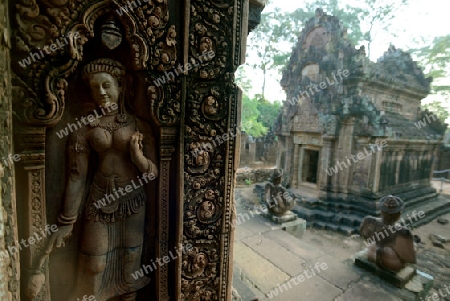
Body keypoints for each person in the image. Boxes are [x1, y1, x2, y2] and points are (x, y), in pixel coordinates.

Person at [48, 58, 158, 301]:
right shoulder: (85, 127)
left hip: (133, 203)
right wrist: (66, 220)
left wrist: (137, 156)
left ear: (120, 86)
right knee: (93, 264)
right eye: (94, 87)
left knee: (131, 272)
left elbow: (152, 173)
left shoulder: (139, 124)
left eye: (106, 85)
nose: (101, 92)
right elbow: (77, 175)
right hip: (98, 201)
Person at [359, 195, 416, 272]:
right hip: (390, 262)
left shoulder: (369, 220)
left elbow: (364, 235)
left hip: (371, 254)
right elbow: (409, 258)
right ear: (398, 215)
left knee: (375, 245)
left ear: (382, 211)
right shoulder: (403, 231)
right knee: (413, 247)